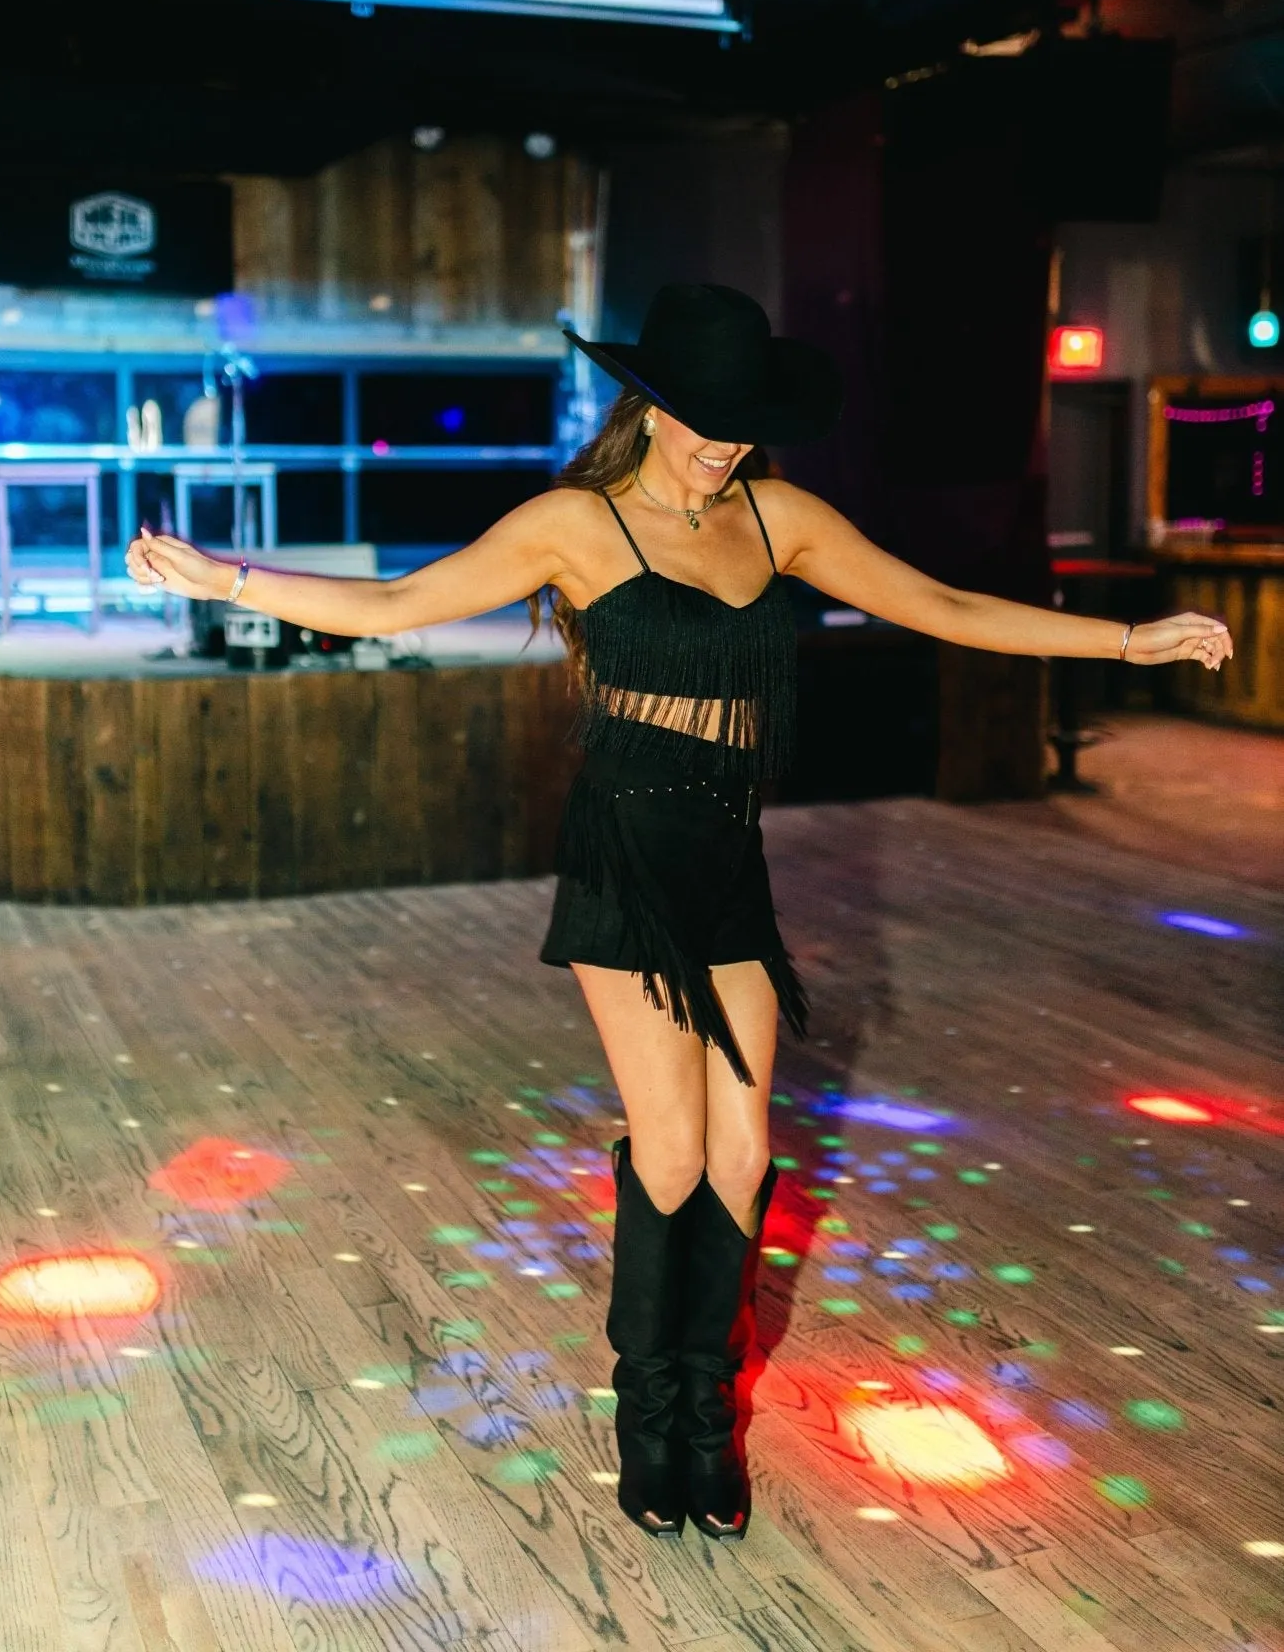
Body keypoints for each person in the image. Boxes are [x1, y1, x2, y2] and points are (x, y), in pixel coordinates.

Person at [125, 281, 1232, 1547]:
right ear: (646, 405)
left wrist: (1129, 639)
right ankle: (653, 1414)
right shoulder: (574, 524)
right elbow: (390, 605)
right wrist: (225, 577)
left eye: (739, 423)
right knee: (667, 1147)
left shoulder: (779, 516)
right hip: (626, 847)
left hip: (725, 849)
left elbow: (950, 607)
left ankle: (709, 1406)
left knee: (745, 1149)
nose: (720, 442)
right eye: (698, 419)